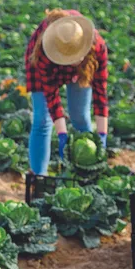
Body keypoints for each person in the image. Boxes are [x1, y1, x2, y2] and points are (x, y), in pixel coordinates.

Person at [25, 9, 109, 175]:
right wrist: (62, 135)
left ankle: (85, 174)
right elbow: (51, 97)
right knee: (42, 120)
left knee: (80, 116)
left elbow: (101, 93)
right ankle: (39, 177)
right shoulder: (43, 52)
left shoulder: (97, 47)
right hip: (43, 62)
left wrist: (102, 136)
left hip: (85, 66)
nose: (71, 61)